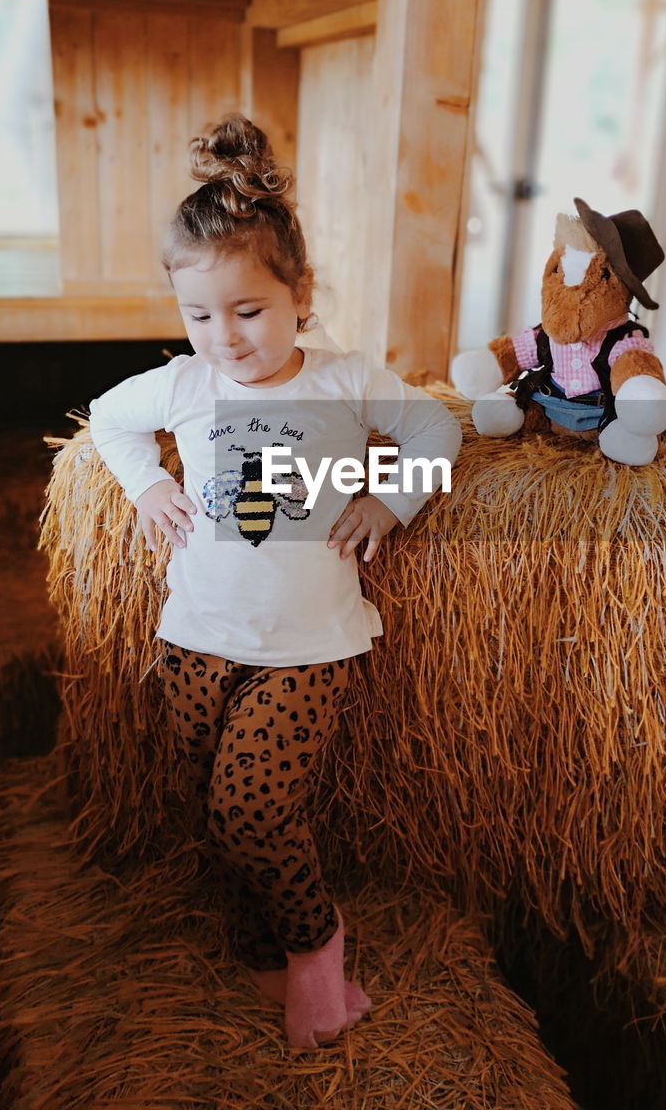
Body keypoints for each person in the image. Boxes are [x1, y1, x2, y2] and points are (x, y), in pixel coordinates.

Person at [87, 113, 462, 1051]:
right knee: (210, 808)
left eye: (248, 311)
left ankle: (316, 951)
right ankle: (258, 948)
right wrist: (148, 482)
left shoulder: (343, 380)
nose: (224, 337)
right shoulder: (183, 387)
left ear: (300, 293)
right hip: (195, 639)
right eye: (199, 315)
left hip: (306, 648)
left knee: (254, 805)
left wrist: (389, 503)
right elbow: (105, 419)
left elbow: (438, 434)